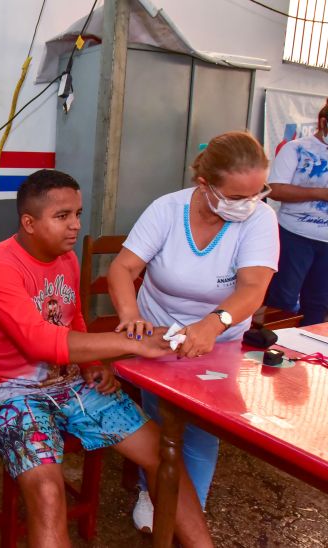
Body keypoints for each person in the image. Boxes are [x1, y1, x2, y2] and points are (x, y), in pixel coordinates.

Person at [0, 169, 213, 548]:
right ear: (29, 223)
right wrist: (130, 344)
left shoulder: (65, 259)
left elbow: (73, 318)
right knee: (49, 494)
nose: (75, 226)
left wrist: (92, 365)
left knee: (166, 459)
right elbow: (39, 342)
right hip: (7, 391)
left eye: (78, 214)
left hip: (69, 383)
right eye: (62, 216)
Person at [108, 131, 279, 532]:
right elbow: (123, 268)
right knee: (162, 419)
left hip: (219, 342)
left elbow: (253, 287)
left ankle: (187, 511)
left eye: (258, 193)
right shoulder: (167, 210)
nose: (249, 204)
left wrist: (212, 324)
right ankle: (155, 493)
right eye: (237, 196)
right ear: (205, 185)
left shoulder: (260, 219)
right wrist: (132, 316)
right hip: (158, 337)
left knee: (202, 428)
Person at [265, 99, 328, 326]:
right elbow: (275, 189)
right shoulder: (296, 148)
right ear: (323, 122)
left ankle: (307, 352)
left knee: (318, 303)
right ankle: (272, 348)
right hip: (294, 236)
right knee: (282, 298)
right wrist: (320, 194)